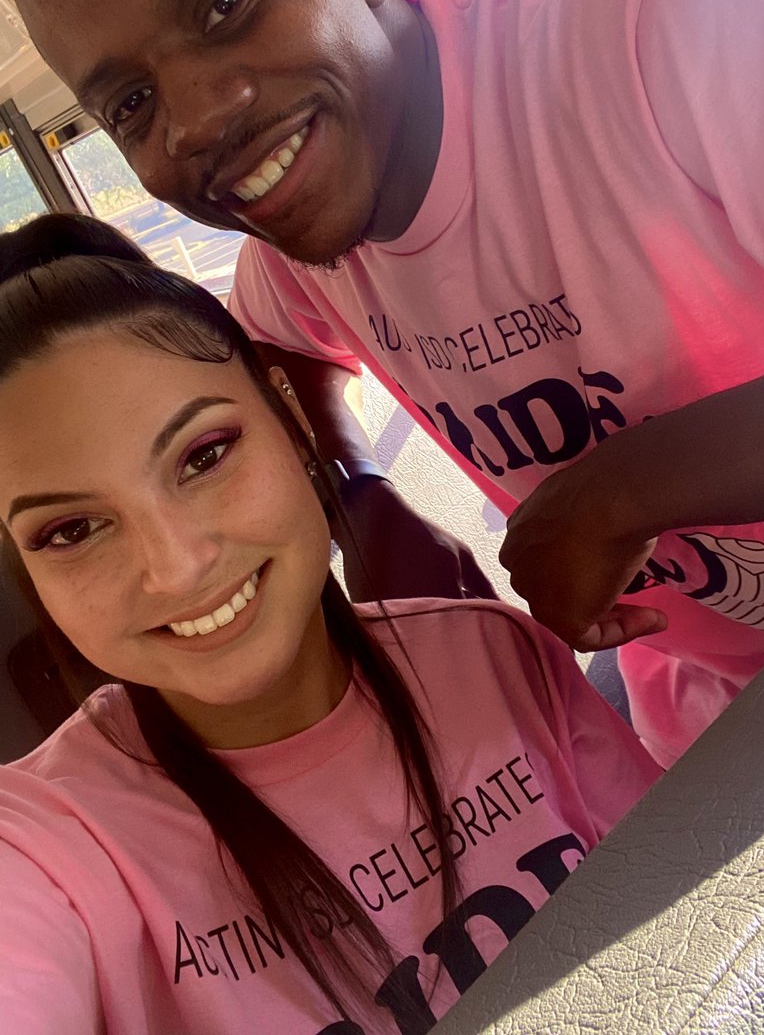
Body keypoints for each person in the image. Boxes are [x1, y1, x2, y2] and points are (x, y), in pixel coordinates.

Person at [2, 0, 764, 768]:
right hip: (719, 714)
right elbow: (284, 350)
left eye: (227, 3)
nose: (197, 122)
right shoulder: (305, 236)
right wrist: (364, 496)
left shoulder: (669, 6)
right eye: (133, 105)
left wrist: (618, 495)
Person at [0, 213, 660, 1035]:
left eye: (205, 456)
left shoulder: (495, 654)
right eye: (70, 530)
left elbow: (698, 904)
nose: (175, 568)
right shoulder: (48, 848)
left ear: (293, 419)